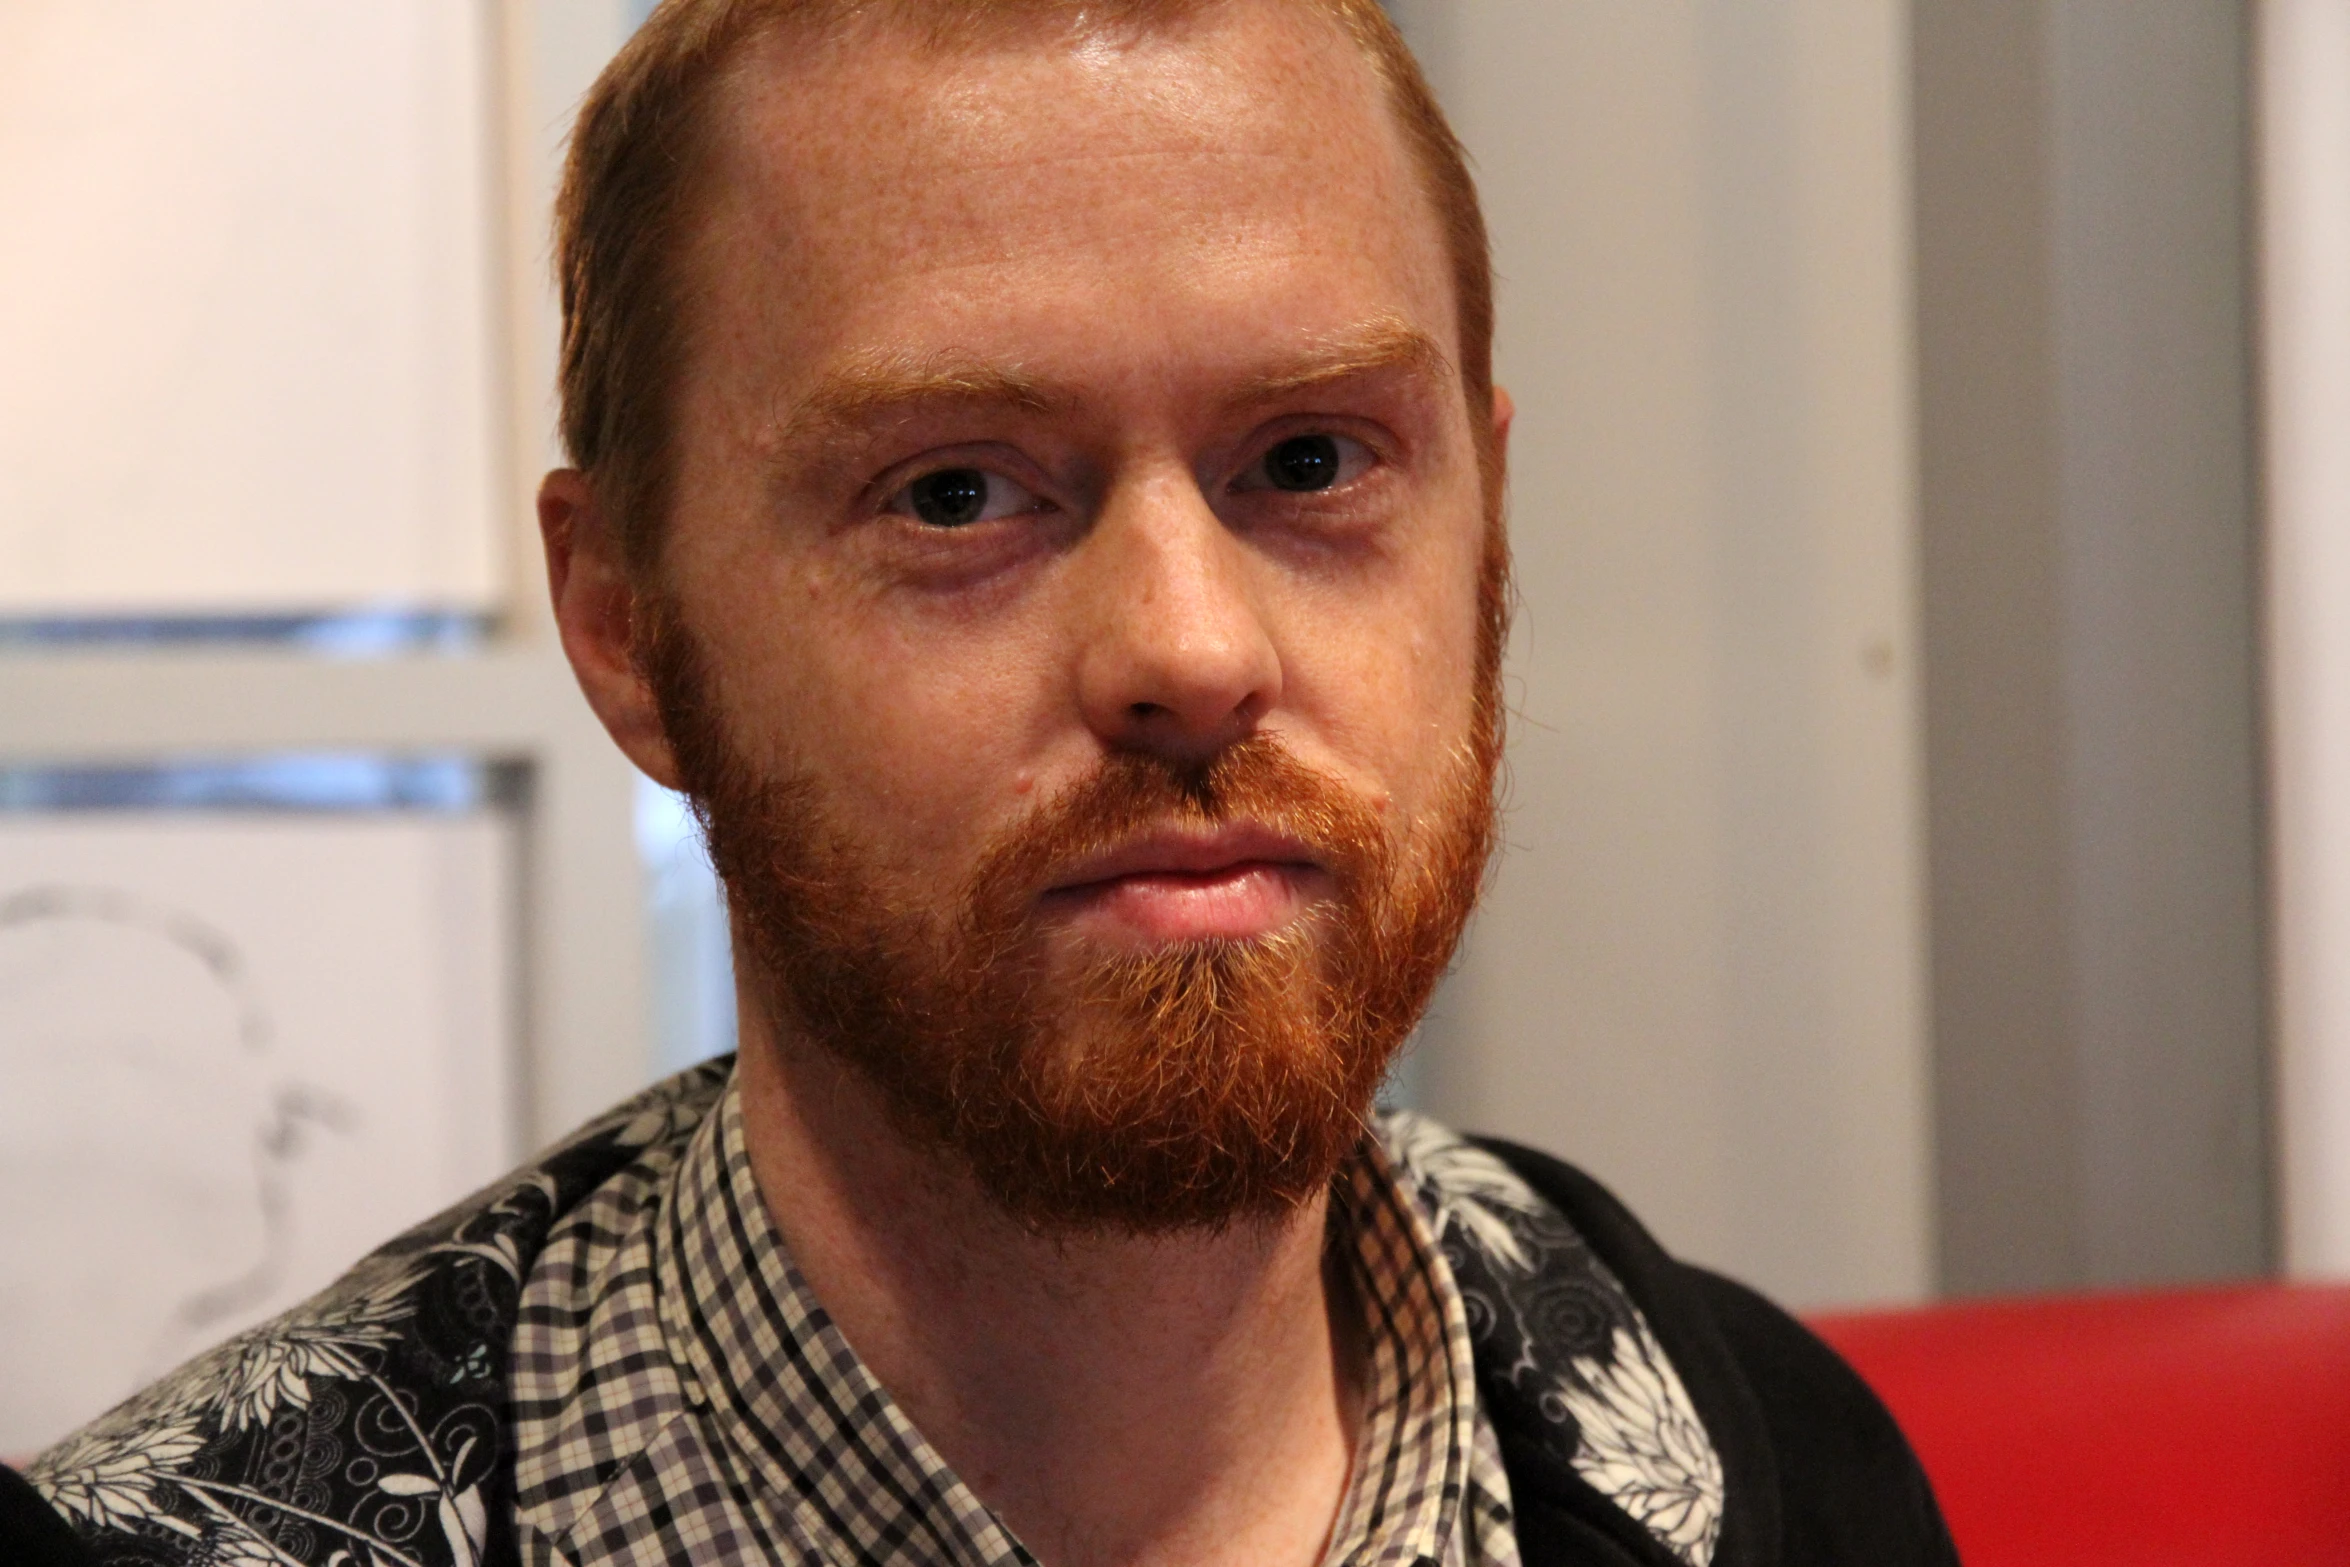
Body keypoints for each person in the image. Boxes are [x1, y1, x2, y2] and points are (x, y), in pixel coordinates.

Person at [8, 2, 1956, 1564]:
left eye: (1306, 464)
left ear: (1491, 529)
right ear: (622, 625)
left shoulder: (1758, 1460)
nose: (1190, 652)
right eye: (954, 491)